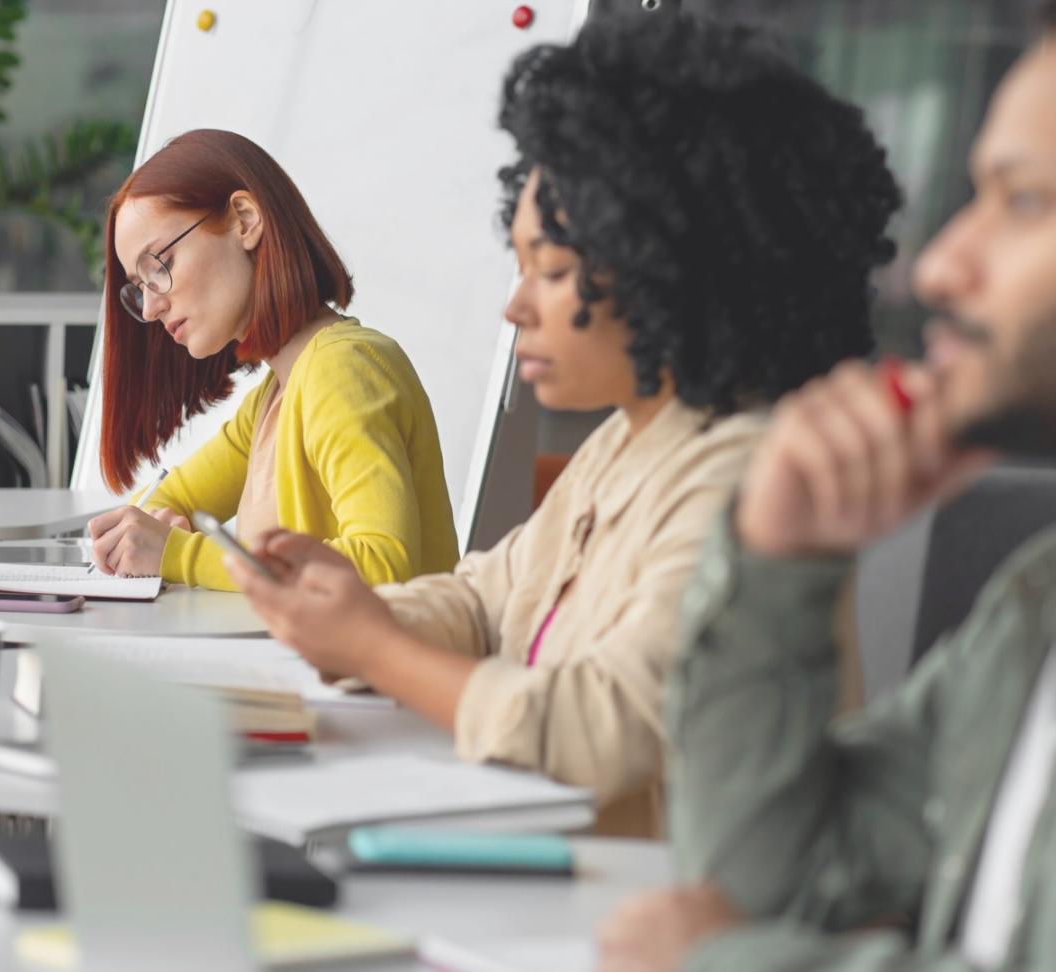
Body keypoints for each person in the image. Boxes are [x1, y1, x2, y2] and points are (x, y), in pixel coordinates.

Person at [226, 9, 902, 833]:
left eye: (548, 270)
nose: (514, 307)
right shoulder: (624, 441)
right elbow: (485, 599)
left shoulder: (749, 476)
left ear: (673, 271)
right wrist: (354, 614)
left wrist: (372, 648)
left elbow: (599, 727)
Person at [598, 3, 1056, 968]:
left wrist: (727, 962)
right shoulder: (1035, 605)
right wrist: (777, 567)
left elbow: (732, 922)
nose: (939, 265)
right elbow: (771, 877)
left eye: (1021, 202)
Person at [87, 129, 459, 591]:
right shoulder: (275, 396)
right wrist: (141, 533)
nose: (148, 308)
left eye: (158, 265)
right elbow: (175, 498)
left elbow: (383, 563)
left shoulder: (341, 370)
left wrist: (177, 553)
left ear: (244, 220)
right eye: (139, 286)